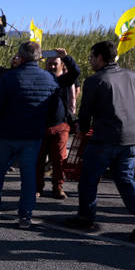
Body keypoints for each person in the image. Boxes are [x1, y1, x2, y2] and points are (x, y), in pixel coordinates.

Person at [65, 40, 135, 239]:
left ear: (100, 57)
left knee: (89, 178)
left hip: (105, 138)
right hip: (132, 137)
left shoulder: (96, 80)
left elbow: (85, 112)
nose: (90, 61)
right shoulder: (134, 76)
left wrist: (82, 128)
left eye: (91, 57)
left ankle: (86, 216)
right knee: (125, 178)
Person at [0, 42, 62, 229]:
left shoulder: (10, 78)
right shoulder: (50, 79)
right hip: (32, 135)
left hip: (8, 133)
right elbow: (57, 113)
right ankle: (25, 215)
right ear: (39, 57)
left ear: (21, 56)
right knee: (28, 177)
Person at [36, 50, 81, 199]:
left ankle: (58, 187)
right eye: (49, 64)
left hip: (60, 126)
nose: (52, 67)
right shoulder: (39, 80)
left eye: (55, 64)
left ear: (62, 66)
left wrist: (66, 57)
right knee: (38, 160)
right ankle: (37, 187)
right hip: (40, 127)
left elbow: (76, 72)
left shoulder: (63, 81)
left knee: (59, 160)